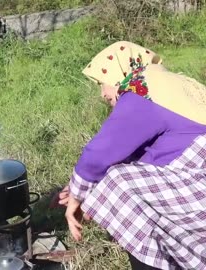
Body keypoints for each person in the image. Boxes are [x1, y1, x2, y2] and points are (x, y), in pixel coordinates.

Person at [51, 41, 206, 269]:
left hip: (197, 188)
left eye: (102, 83)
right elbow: (135, 156)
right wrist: (80, 190)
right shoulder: (173, 85)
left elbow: (100, 154)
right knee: (114, 178)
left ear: (119, 72)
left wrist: (77, 197)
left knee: (118, 181)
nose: (103, 93)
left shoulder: (144, 87)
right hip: (194, 181)